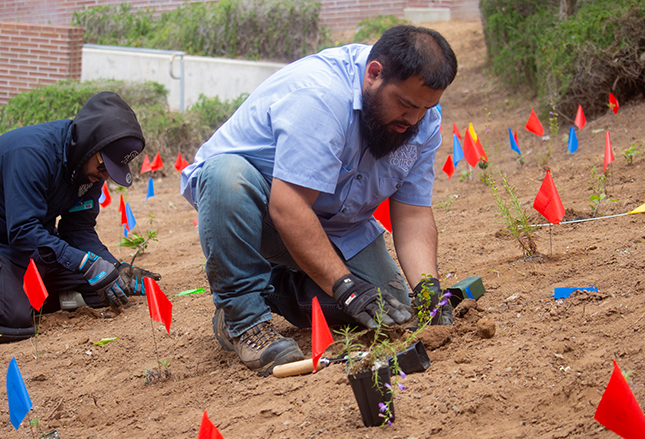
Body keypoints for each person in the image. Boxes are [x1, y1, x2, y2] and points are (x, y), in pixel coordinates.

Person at [180, 25, 458, 376]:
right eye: (405, 104)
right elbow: (288, 206)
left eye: (425, 107)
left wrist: (428, 289)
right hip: (260, 211)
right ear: (374, 74)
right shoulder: (320, 95)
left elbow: (413, 215)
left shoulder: (422, 120)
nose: (414, 119)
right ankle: (243, 317)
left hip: (336, 225)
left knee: (393, 309)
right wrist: (347, 288)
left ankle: (270, 290)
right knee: (226, 174)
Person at [0, 91, 159, 345]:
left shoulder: (87, 170)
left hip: (30, 237)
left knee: (104, 290)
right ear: (89, 146)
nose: (104, 177)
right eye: (103, 167)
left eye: (111, 172)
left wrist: (116, 268)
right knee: (11, 322)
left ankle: (22, 295)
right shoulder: (32, 154)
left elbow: (78, 230)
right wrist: (87, 264)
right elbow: (22, 231)